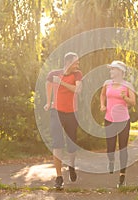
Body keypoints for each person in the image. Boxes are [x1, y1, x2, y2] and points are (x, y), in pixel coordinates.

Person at [44, 52, 82, 189]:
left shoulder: (77, 74)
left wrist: (61, 83)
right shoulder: (54, 73)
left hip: (72, 113)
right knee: (57, 144)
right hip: (56, 112)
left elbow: (78, 90)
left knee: (72, 146)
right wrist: (48, 102)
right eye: (76, 62)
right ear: (68, 62)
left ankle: (71, 165)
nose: (78, 65)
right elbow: (48, 84)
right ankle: (59, 177)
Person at [100, 60, 136, 188]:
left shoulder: (127, 85)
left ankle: (122, 175)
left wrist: (125, 98)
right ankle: (111, 161)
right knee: (110, 147)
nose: (111, 71)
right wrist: (102, 105)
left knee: (123, 148)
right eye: (110, 69)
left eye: (113, 69)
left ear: (120, 72)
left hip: (123, 121)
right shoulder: (107, 83)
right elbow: (102, 94)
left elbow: (133, 102)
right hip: (109, 119)